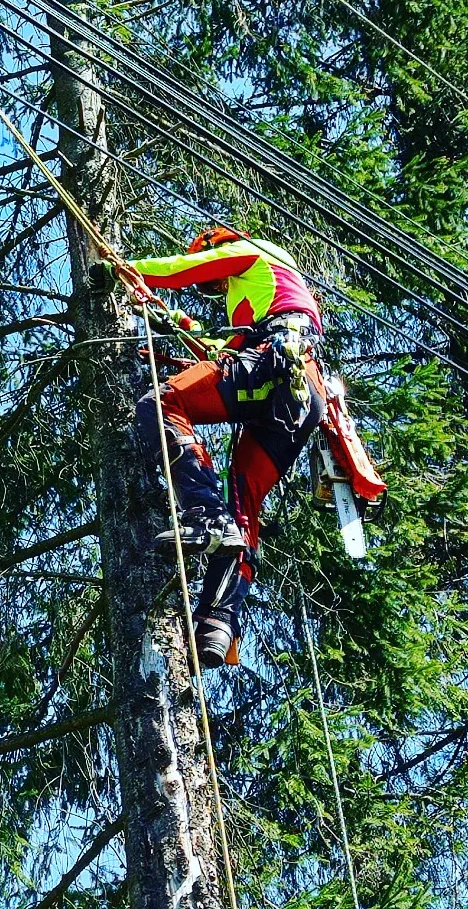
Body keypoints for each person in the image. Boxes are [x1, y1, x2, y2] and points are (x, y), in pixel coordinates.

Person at [126, 226, 326, 668]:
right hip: (300, 392)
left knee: (161, 403)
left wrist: (125, 269)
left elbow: (182, 270)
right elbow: (222, 351)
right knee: (244, 504)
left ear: (219, 245)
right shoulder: (268, 299)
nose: (216, 287)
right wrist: (176, 325)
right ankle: (217, 621)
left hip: (275, 367)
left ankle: (205, 515)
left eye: (216, 281)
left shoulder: (253, 252)